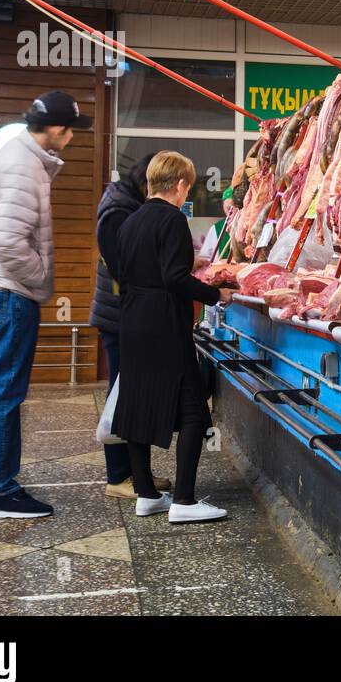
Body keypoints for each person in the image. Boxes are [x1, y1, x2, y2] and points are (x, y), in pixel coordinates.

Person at [0, 91, 92, 519]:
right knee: (7, 391)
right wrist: (40, 277)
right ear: (58, 129)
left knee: (3, 390)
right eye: (73, 128)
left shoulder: (17, 156)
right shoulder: (23, 165)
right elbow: (6, 239)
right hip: (9, 291)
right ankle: (0, 491)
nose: (74, 136)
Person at [111, 151, 233, 523]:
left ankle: (146, 494)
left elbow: (142, 269)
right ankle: (183, 500)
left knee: (135, 404)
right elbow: (172, 279)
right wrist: (216, 295)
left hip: (132, 320)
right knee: (194, 409)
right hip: (164, 323)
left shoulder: (130, 222)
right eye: (188, 186)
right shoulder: (173, 220)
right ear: (180, 185)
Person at [89, 152, 173, 500]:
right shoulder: (117, 213)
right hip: (120, 317)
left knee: (134, 393)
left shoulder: (126, 203)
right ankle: (119, 475)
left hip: (128, 314)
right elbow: (126, 269)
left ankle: (140, 473)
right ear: (146, 184)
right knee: (123, 395)